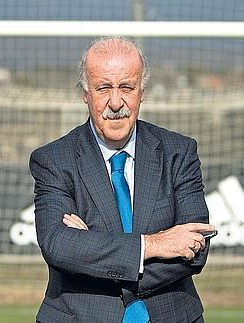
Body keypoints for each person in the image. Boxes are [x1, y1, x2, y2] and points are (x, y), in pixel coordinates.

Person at [29, 36, 215, 322]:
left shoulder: (179, 152)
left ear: (141, 91)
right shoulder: (54, 159)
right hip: (79, 316)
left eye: (126, 87)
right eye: (104, 88)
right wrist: (153, 245)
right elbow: (59, 246)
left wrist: (92, 247)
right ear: (85, 93)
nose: (116, 102)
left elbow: (195, 247)